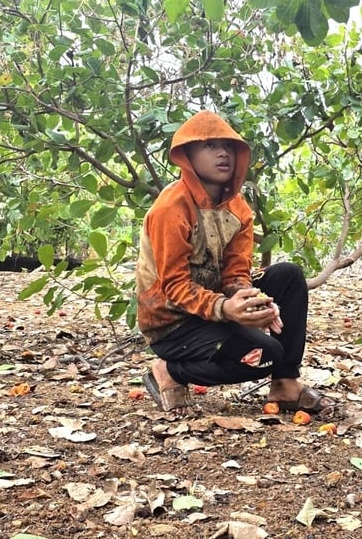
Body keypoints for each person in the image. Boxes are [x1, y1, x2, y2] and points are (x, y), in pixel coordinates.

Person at [134, 110, 329, 415]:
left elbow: (236, 272)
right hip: (172, 323)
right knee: (263, 355)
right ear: (187, 155)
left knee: (288, 276)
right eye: (209, 146)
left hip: (212, 307)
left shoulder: (239, 208)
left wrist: (250, 300)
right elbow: (173, 286)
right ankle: (170, 371)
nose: (223, 153)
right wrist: (227, 310)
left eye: (228, 146)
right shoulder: (170, 209)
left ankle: (285, 384)